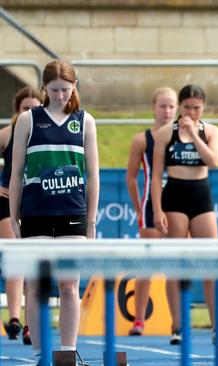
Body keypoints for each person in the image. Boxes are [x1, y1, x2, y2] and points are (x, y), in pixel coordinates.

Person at [9, 59, 100, 364]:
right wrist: (13, 216)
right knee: (36, 285)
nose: (61, 95)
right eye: (55, 89)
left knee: (69, 284)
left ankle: (67, 352)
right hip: (35, 213)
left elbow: (93, 174)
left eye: (66, 89)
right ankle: (39, 355)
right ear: (44, 88)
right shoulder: (28, 121)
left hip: (72, 214)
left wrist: (91, 221)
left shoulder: (85, 121)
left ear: (75, 86)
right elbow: (16, 171)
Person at [151, 84, 218, 346]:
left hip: (200, 194)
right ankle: (178, 326)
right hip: (175, 194)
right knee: (177, 264)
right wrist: (157, 208)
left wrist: (194, 135)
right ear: (180, 107)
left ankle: (217, 327)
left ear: (203, 107)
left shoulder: (210, 131)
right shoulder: (166, 133)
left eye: (197, 108)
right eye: (187, 107)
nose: (192, 112)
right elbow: (155, 176)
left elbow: (214, 161)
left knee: (211, 264)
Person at [125, 87, 177, 336]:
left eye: (171, 106)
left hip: (179, 204)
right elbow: (131, 177)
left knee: (176, 267)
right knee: (147, 264)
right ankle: (138, 319)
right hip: (150, 206)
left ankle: (177, 323)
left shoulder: (184, 136)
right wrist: (139, 207)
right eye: (162, 106)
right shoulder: (142, 139)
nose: (167, 111)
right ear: (153, 107)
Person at [1, 87, 42, 345]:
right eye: (26, 108)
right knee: (18, 257)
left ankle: (29, 324)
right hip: (6, 204)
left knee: (33, 266)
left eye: (35, 108)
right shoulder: (7, 134)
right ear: (18, 109)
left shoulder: (44, 135)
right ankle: (15, 318)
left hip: (34, 202)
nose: (30, 112)